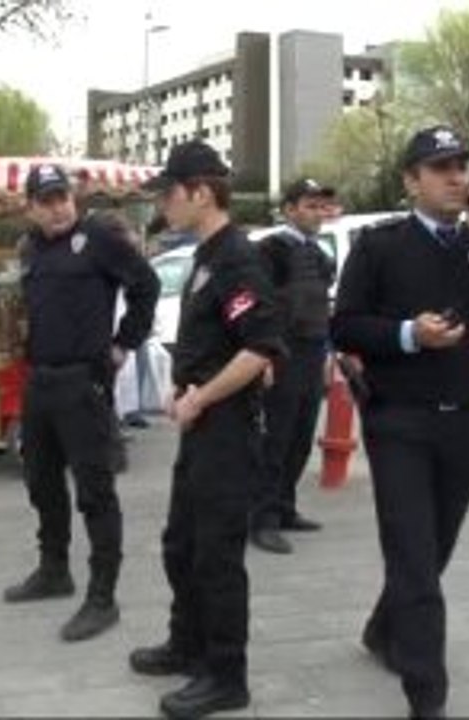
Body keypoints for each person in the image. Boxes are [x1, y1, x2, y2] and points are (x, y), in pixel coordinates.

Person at [330, 126, 469, 719]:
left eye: (463, 166)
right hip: (400, 421)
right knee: (413, 559)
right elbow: (344, 325)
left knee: (433, 549)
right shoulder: (380, 246)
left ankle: (385, 627)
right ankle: (427, 698)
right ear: (412, 180)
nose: (458, 178)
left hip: (468, 424)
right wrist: (408, 335)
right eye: (442, 167)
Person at [127, 140, 283, 720]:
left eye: (168, 193)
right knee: (181, 544)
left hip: (226, 429)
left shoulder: (237, 258)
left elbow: (260, 349)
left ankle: (226, 674)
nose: (162, 204)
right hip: (202, 425)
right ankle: (187, 643)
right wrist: (184, 387)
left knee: (217, 555)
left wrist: (200, 397)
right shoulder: (207, 255)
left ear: (200, 192)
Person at [4, 163, 159, 643]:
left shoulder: (99, 239)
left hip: (83, 384)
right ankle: (54, 569)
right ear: (30, 207)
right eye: (46, 201)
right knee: (41, 481)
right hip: (41, 382)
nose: (58, 208)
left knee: (95, 491)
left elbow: (146, 286)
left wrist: (123, 343)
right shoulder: (30, 249)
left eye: (63, 197)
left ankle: (102, 596)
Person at [250, 178, 337, 555]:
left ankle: (285, 508)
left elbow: (323, 306)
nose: (318, 213)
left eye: (321, 207)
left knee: (301, 437)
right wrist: (263, 356)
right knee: (276, 438)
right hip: (282, 355)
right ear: (288, 210)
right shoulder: (271, 250)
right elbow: (259, 307)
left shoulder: (319, 255)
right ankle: (262, 520)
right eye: (309, 206)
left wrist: (329, 355)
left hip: (313, 354)